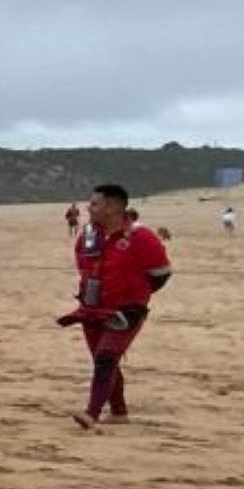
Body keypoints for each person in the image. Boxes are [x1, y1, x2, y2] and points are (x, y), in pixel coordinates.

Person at [62, 183, 172, 430]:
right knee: (104, 361)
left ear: (112, 207)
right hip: (91, 309)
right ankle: (119, 412)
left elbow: (162, 273)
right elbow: (82, 264)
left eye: (94, 203)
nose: (88, 208)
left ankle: (91, 413)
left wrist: (137, 295)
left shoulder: (141, 237)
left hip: (127, 311)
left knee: (106, 356)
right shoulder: (89, 234)